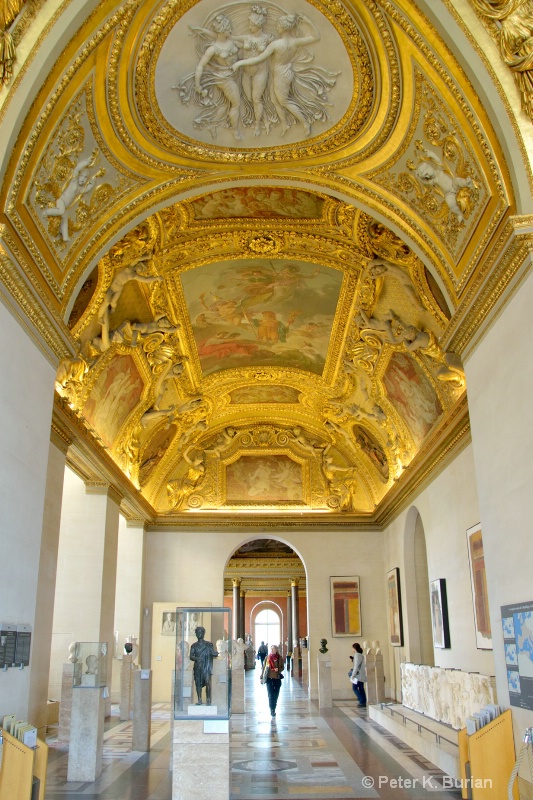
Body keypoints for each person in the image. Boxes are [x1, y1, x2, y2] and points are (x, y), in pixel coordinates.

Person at [189, 626, 218, 705]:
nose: (199, 634)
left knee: (208, 682)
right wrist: (196, 659)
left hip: (206, 666)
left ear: (203, 633)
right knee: (198, 683)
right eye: (198, 632)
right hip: (198, 666)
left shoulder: (208, 645)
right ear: (196, 634)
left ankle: (208, 699)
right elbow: (191, 656)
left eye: (201, 632)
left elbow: (213, 653)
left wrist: (216, 653)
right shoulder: (194, 646)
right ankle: (199, 699)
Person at [260, 643, 284, 717]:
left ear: (276, 650)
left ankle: (274, 706)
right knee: (270, 695)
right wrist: (261, 677)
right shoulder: (267, 658)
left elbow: (282, 667)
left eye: (273, 649)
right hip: (269, 679)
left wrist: (278, 669)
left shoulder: (279, 658)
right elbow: (264, 668)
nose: (272, 650)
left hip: (277, 679)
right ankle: (272, 710)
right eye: (271, 649)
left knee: (276, 695)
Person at [350, 642, 367, 708]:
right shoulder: (360, 655)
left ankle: (362, 701)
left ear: (354, 648)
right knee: (361, 688)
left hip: (358, 676)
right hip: (361, 674)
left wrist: (353, 675)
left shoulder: (357, 655)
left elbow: (356, 666)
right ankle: (363, 701)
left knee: (354, 688)